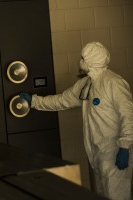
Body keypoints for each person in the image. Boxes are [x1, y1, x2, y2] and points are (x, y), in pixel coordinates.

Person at [19, 41, 133, 200]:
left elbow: (128, 115)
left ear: (91, 60)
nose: (80, 62)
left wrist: (125, 147)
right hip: (97, 154)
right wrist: (34, 101)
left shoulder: (113, 83)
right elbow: (62, 100)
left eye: (82, 58)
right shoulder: (86, 84)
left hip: (114, 153)